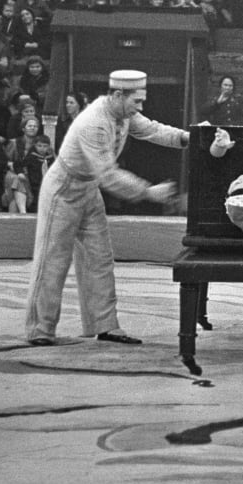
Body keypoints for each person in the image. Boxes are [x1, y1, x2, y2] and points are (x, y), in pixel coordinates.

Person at [24, 70, 188, 346]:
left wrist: (190, 137)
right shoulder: (93, 122)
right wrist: (149, 192)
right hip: (62, 191)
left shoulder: (124, 113)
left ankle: (105, 326)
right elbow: (108, 175)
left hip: (88, 190)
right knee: (52, 261)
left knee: (100, 259)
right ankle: (40, 330)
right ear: (117, 95)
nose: (141, 107)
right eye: (137, 101)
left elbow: (154, 130)